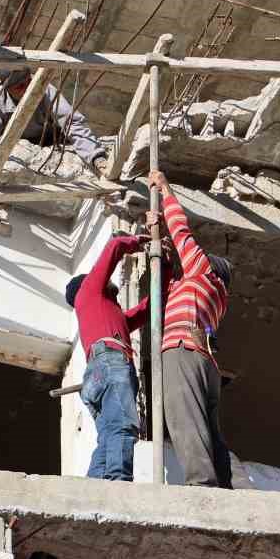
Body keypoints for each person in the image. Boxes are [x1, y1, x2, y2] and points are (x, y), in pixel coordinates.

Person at [147, 169, 234, 487]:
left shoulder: (202, 272)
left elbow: (181, 231)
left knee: (185, 418)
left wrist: (166, 191)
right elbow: (170, 286)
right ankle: (221, 483)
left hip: (183, 349)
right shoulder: (212, 296)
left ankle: (202, 483)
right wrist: (159, 246)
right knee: (209, 429)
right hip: (204, 360)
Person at [65, 233, 153, 481]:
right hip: (110, 362)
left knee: (108, 437)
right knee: (122, 427)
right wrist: (138, 242)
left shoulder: (112, 317)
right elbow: (114, 246)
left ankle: (95, 488)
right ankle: (118, 483)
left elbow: (149, 308)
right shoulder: (88, 292)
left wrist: (164, 267)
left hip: (96, 374)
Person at [0, 70, 111, 176]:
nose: (27, 89)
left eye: (28, 82)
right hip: (15, 146)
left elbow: (71, 122)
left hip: (50, 141)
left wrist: (96, 157)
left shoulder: (44, 89)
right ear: (8, 89)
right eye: (19, 87)